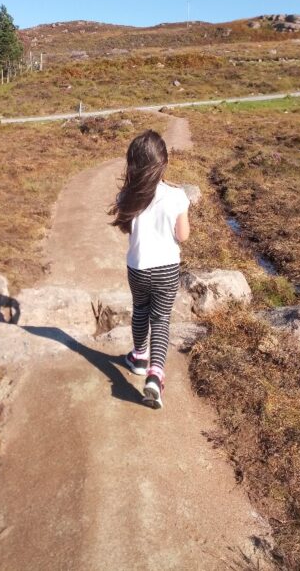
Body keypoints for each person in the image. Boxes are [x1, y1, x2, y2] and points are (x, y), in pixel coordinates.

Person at [109, 129, 190, 409]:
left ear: (132, 164)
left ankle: (138, 357)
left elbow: (127, 228)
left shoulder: (126, 196)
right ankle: (156, 375)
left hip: (138, 268)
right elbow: (183, 236)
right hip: (167, 269)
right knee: (162, 319)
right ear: (164, 163)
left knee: (140, 311)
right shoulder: (177, 196)